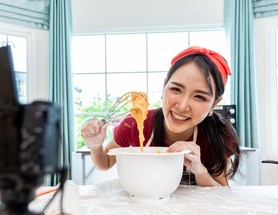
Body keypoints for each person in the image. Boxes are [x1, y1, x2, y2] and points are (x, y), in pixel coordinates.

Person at [80, 46, 241, 186]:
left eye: (200, 97)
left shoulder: (218, 135)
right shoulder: (135, 123)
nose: (183, 106)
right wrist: (95, 146)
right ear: (164, 87)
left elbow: (221, 194)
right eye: (176, 89)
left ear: (214, 104)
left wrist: (199, 169)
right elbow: (104, 163)